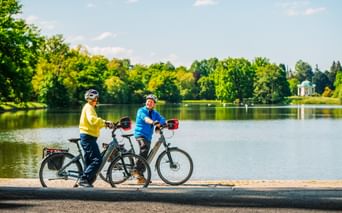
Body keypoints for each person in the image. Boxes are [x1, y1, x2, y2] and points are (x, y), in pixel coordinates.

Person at [79, 89, 113, 187]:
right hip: (88, 137)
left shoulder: (89, 107)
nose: (96, 101)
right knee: (97, 160)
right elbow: (93, 120)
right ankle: (84, 179)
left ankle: (87, 181)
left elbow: (94, 123)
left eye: (96, 99)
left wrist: (105, 124)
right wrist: (105, 122)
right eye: (95, 99)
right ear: (91, 99)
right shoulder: (89, 107)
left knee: (89, 161)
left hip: (89, 137)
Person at [134, 94, 166, 184]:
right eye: (148, 101)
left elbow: (162, 119)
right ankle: (135, 169)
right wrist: (153, 122)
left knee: (147, 155)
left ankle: (140, 177)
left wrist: (164, 124)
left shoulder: (155, 113)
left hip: (148, 136)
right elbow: (146, 119)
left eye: (151, 102)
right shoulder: (141, 110)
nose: (149, 103)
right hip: (140, 134)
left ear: (154, 104)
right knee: (144, 148)